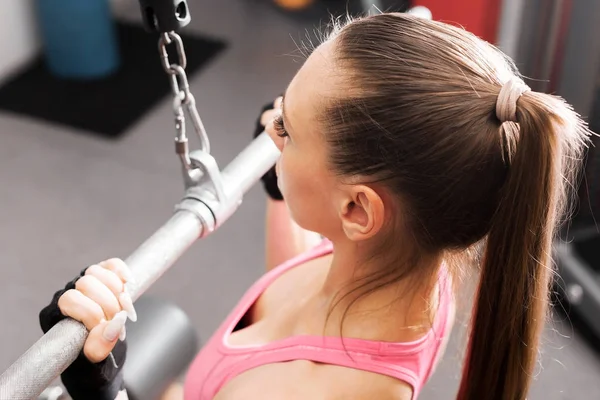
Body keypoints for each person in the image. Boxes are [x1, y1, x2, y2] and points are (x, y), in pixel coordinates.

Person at [39, 12, 592, 400]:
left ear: (356, 210)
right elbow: (298, 280)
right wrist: (286, 189)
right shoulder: (412, 263)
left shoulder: (300, 392)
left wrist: (100, 387)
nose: (272, 130)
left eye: (289, 128)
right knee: (166, 331)